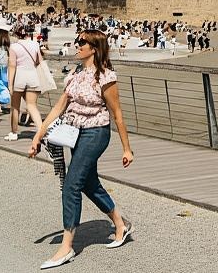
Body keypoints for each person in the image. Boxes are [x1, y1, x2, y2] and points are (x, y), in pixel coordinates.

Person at [29, 30, 134, 269]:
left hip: (96, 133)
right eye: (77, 41)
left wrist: (127, 149)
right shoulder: (76, 73)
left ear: (94, 48)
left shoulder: (106, 76)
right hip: (75, 133)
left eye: (81, 42)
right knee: (88, 183)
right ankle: (121, 223)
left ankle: (67, 246)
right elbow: (59, 107)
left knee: (71, 185)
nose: (77, 45)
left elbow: (117, 114)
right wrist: (38, 135)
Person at [6, 24, 46, 141]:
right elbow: (39, 61)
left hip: (19, 76)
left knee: (15, 107)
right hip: (33, 75)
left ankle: (14, 133)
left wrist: (10, 84)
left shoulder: (14, 46)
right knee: (32, 105)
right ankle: (41, 131)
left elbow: (12, 66)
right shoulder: (35, 44)